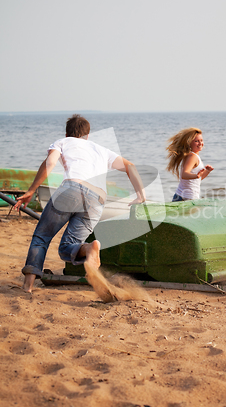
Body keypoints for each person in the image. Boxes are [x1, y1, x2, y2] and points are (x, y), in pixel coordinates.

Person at [14, 114, 146, 293]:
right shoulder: (101, 149)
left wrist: (30, 191)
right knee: (67, 247)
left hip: (72, 189)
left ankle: (27, 286)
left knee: (41, 237)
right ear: (87, 135)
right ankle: (89, 248)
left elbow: (50, 163)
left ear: (67, 133)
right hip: (98, 200)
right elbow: (130, 166)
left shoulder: (63, 142)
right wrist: (140, 194)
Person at [166, 127, 214, 201]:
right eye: (196, 141)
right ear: (189, 143)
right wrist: (196, 175)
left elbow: (198, 179)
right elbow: (184, 174)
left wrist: (207, 171)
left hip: (186, 197)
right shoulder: (192, 157)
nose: (200, 143)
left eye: (201, 140)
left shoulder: (195, 156)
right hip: (185, 198)